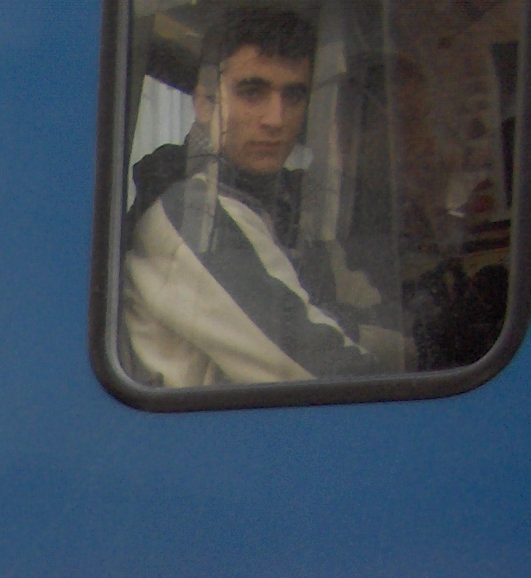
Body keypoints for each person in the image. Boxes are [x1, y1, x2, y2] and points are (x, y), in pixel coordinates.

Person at [121, 6, 391, 388]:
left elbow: (370, 307)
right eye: (252, 92)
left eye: (294, 96)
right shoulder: (192, 215)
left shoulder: (290, 210)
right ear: (204, 104)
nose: (276, 119)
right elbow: (323, 372)